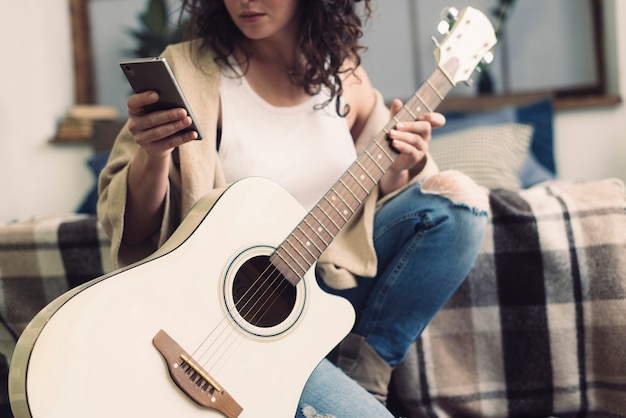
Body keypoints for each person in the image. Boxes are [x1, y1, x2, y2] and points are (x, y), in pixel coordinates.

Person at [97, 0, 489, 416]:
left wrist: (403, 166)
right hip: (235, 317)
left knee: (459, 204)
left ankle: (364, 374)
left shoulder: (345, 76)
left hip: (329, 295)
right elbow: (132, 230)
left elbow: (372, 196)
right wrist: (153, 156)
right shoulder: (186, 72)